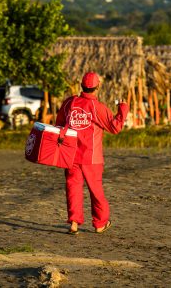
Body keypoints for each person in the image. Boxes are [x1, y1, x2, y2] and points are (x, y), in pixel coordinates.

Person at [56, 72, 129, 235]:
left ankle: (74, 224)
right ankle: (100, 224)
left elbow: (59, 124)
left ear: (81, 86)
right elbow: (115, 127)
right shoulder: (97, 107)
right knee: (96, 191)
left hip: (71, 155)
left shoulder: (69, 103)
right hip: (92, 157)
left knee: (72, 188)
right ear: (98, 87)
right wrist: (123, 109)